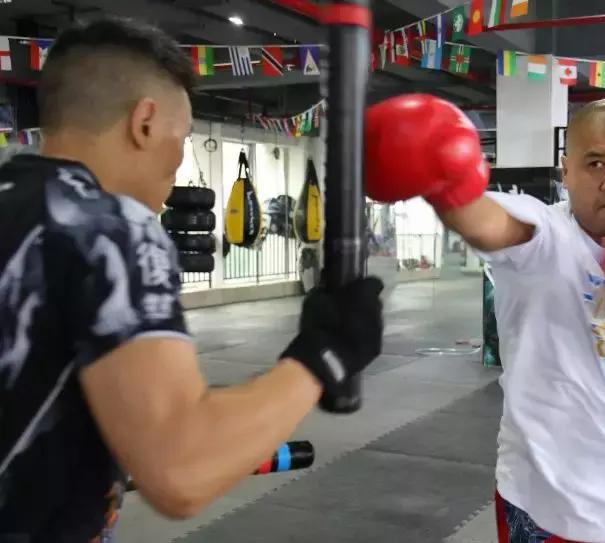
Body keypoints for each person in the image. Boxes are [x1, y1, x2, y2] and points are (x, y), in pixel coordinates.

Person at [0, 17, 384, 542]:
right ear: (146, 122)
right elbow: (181, 471)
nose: (178, 168)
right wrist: (325, 355)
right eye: (181, 141)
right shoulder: (109, 229)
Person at [365, 94, 605, 543]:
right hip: (546, 506)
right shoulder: (546, 234)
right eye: (596, 164)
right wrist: (444, 180)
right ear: (566, 170)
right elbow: (488, 222)